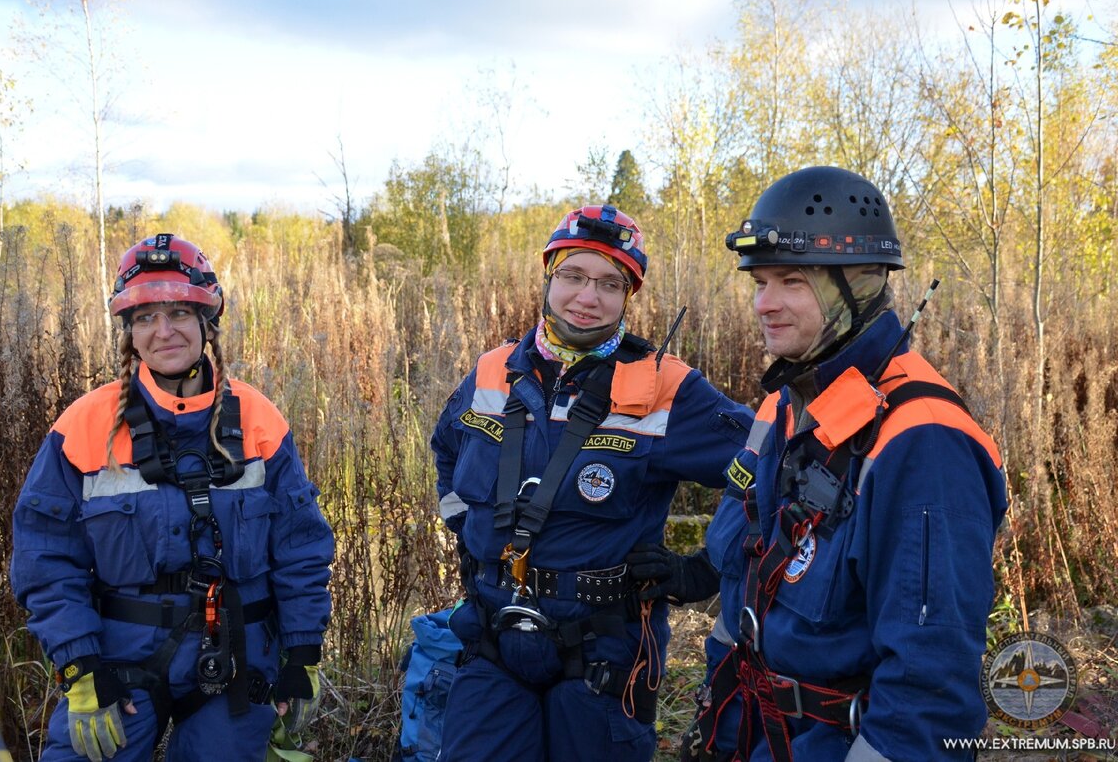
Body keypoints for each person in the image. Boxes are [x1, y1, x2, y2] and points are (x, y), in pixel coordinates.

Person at [682, 166, 1008, 761]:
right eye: (759, 282)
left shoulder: (922, 442)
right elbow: (751, 586)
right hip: (751, 729)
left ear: (857, 286)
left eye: (792, 281)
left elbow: (925, 693)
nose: (765, 304)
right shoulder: (788, 402)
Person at [431, 204, 753, 761]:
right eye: (573, 276)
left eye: (609, 283)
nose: (587, 296)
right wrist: (468, 528)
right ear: (549, 276)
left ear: (628, 296)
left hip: (604, 652)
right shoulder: (492, 370)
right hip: (493, 636)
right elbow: (445, 452)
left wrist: (705, 569)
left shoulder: (664, 386)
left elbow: (771, 463)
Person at [11, 234, 334, 761]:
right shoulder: (84, 426)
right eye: (145, 317)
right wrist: (80, 667)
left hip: (238, 658)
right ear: (129, 334)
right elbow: (45, 559)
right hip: (118, 658)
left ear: (208, 322)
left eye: (180, 312)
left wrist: (302, 652)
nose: (163, 332)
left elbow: (300, 548)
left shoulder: (258, 420)